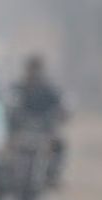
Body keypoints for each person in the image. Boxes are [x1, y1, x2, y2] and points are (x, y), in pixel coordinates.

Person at [11, 54, 68, 187]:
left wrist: (61, 114)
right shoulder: (19, 87)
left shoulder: (49, 89)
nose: (34, 72)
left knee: (58, 146)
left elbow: (59, 105)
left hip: (44, 130)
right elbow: (10, 104)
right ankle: (8, 172)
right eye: (31, 68)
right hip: (21, 130)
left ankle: (52, 175)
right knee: (6, 145)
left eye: (36, 69)